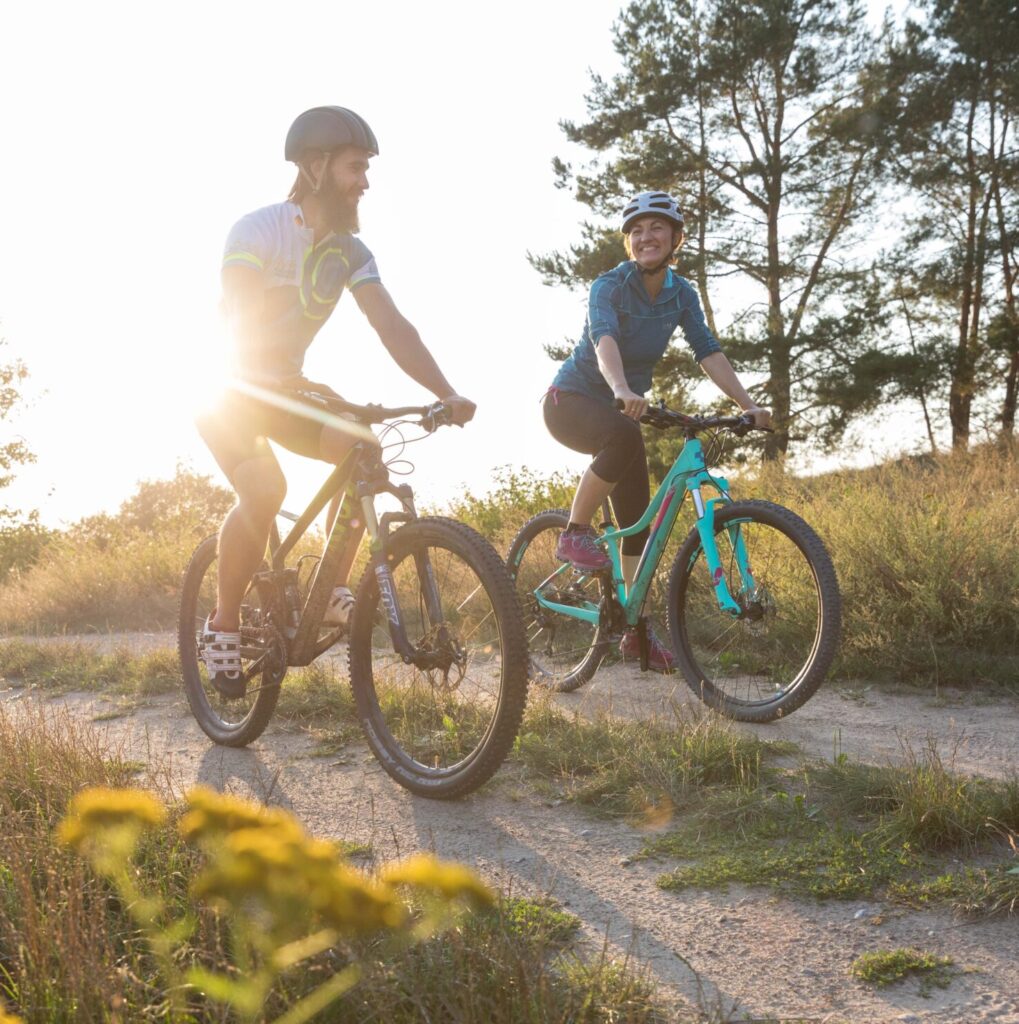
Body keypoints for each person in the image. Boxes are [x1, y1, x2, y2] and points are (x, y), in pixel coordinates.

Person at [197, 105, 475, 695]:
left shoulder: (350, 252)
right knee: (267, 490)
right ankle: (221, 623)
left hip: (289, 390)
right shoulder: (258, 229)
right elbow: (239, 311)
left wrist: (444, 393)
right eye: (356, 167)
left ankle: (329, 590)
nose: (365, 182)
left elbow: (392, 326)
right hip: (231, 388)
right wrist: (260, 375)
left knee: (365, 447)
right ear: (316, 166)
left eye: (367, 169)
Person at [543, 190, 770, 673]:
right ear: (629, 243)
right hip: (571, 401)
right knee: (624, 438)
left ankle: (635, 632)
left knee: (639, 526)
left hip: (621, 413)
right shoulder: (608, 285)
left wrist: (747, 405)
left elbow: (706, 350)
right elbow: (603, 337)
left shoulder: (680, 294)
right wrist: (622, 387)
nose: (646, 237)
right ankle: (574, 532)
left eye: (657, 228)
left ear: (675, 239)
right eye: (637, 231)